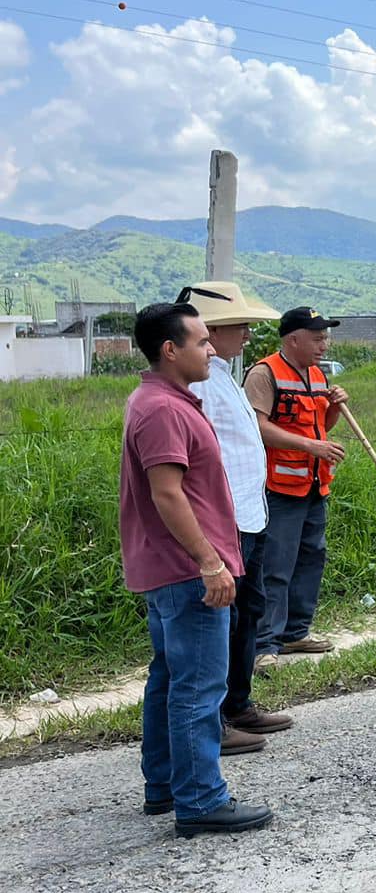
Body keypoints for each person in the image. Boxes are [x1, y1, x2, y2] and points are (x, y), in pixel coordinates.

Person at [120, 302, 272, 837]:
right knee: (198, 686)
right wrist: (210, 562)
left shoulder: (164, 400)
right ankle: (201, 799)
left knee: (169, 678)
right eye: (202, 342)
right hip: (187, 570)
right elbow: (167, 493)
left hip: (169, 568)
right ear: (170, 349)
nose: (211, 350)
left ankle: (164, 785)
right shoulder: (163, 408)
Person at [181, 281, 295, 751]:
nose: (248, 333)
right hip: (224, 521)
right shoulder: (199, 381)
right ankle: (216, 720)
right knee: (219, 623)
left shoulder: (225, 373)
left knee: (248, 613)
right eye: (239, 325)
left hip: (251, 513)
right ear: (210, 328)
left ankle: (238, 703)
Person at [244, 307, 349, 672]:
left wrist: (334, 408)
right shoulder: (264, 373)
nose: (324, 345)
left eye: (326, 338)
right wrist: (311, 448)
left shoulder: (318, 375)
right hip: (280, 486)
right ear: (293, 339)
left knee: (310, 559)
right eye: (317, 338)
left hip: (314, 484)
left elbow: (322, 426)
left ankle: (295, 632)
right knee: (276, 565)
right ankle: (264, 643)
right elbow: (257, 427)